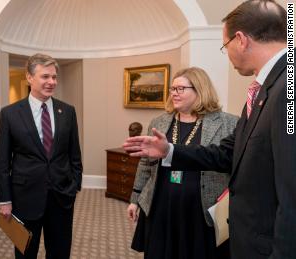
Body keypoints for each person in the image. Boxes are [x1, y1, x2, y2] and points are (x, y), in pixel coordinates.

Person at [123, 1, 295, 258]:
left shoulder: (286, 90)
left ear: (241, 40)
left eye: (225, 46)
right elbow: (226, 153)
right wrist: (168, 150)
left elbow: (291, 192)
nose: (227, 53)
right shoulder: (265, 89)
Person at [126, 67, 238, 258]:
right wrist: (135, 200)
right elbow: (146, 163)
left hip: (201, 210)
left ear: (200, 90)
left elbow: (231, 165)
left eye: (180, 89)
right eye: (172, 89)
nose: (174, 94)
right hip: (162, 204)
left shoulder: (228, 123)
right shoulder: (159, 121)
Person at [0, 53, 82, 259]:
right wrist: (4, 200)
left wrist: (74, 186)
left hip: (61, 197)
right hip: (24, 198)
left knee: (60, 252)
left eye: (54, 77)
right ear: (29, 77)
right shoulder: (10, 114)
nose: (51, 82)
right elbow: (2, 161)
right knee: (25, 252)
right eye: (45, 76)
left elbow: (75, 155)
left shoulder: (67, 111)